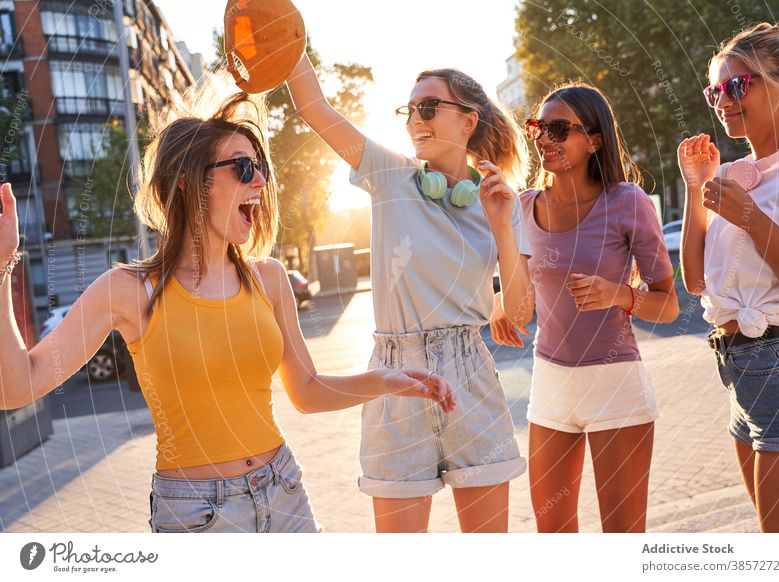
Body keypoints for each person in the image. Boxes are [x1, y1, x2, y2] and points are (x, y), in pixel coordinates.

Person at [0, 91, 455, 533]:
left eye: (259, 168)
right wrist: (2, 265)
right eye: (242, 167)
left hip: (284, 489)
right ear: (188, 181)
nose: (259, 181)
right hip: (197, 516)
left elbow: (308, 391)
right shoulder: (130, 290)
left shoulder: (269, 278)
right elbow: (17, 387)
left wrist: (386, 382)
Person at [286, 52, 532, 532]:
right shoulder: (390, 173)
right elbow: (313, 107)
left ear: (468, 120)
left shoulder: (503, 200)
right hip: (393, 376)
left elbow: (520, 312)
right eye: (410, 109)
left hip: (470, 372)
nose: (414, 118)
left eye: (428, 106)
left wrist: (502, 227)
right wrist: (288, 37)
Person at [491, 83, 679, 532]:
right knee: (553, 535)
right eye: (539, 126)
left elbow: (670, 305)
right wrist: (498, 302)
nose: (543, 138)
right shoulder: (520, 207)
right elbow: (520, 296)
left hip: (615, 385)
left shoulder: (627, 202)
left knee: (622, 536)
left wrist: (619, 294)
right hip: (550, 383)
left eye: (559, 128)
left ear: (594, 140)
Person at [679, 15, 779, 532]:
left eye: (737, 84)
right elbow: (695, 281)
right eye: (715, 91)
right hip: (737, 373)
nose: (724, 99)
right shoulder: (725, 176)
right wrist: (695, 187)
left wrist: (748, 215)